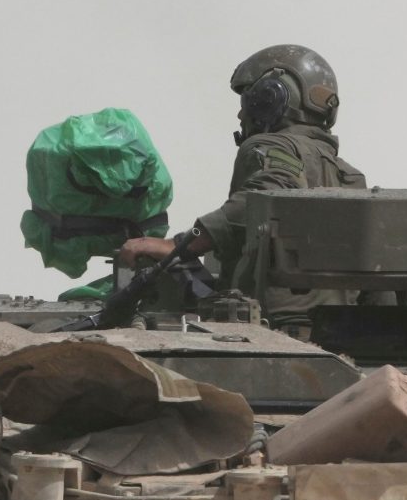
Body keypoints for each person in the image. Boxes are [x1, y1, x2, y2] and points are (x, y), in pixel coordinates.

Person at [117, 46, 365, 328]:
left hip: (272, 327)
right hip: (338, 330)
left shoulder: (270, 145)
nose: (240, 115)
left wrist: (180, 245)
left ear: (270, 98)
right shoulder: (349, 176)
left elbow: (263, 198)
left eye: (247, 100)